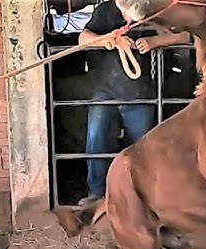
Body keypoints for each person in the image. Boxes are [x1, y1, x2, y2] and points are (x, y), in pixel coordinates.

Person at [76, 0, 191, 207]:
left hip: (140, 94)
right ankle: (96, 193)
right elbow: (83, 38)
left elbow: (184, 35)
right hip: (106, 91)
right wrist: (109, 40)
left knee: (142, 147)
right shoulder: (105, 11)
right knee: (96, 141)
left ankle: (144, 195)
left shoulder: (150, 10)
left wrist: (154, 42)